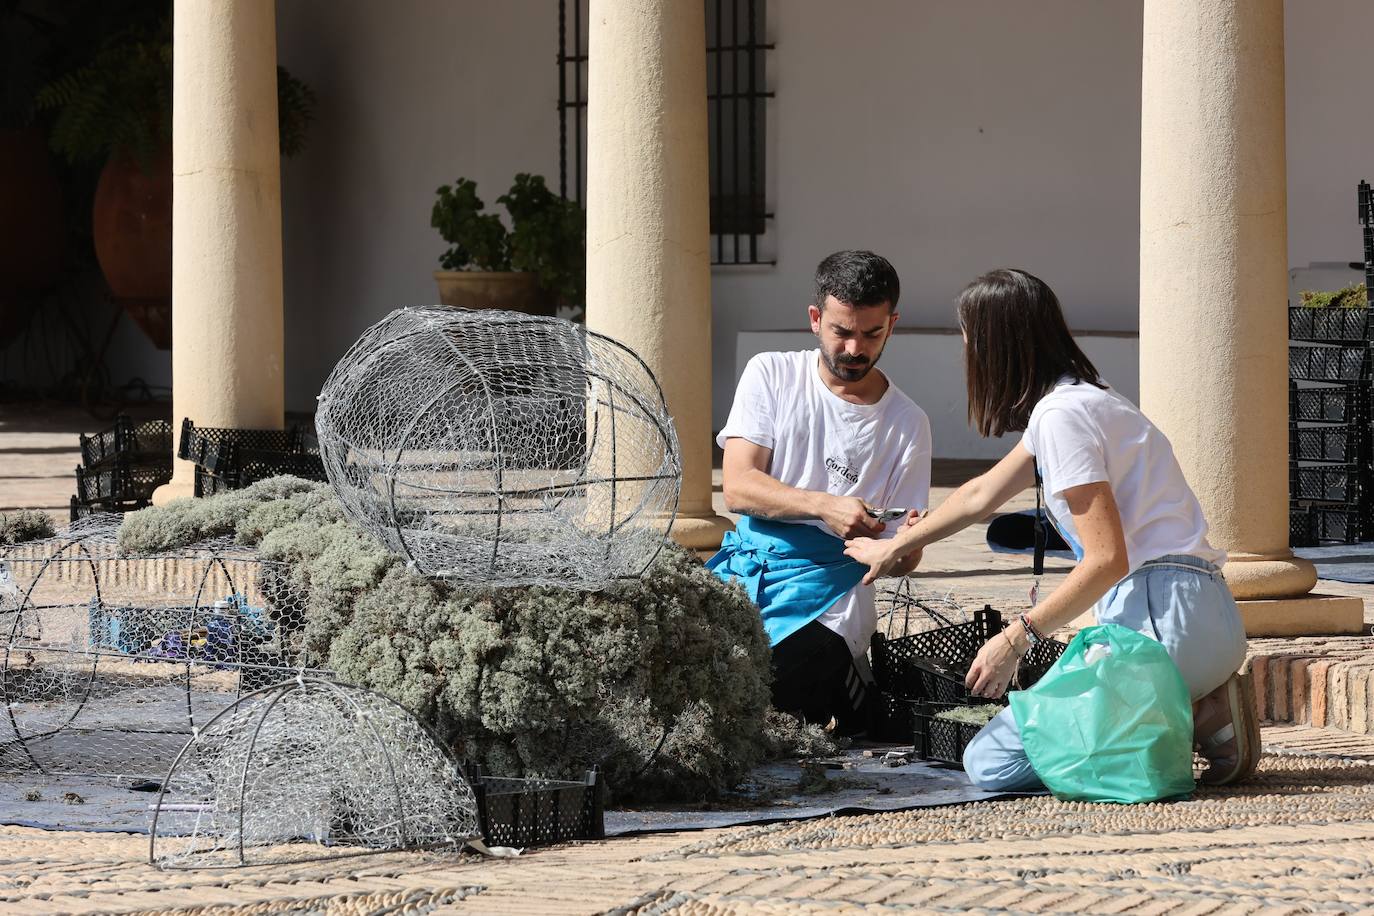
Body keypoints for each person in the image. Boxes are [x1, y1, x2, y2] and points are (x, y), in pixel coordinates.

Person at [843, 268, 1257, 788]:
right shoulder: (1083, 400)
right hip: (1205, 614)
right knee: (1043, 731)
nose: (967, 351)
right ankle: (1194, 699)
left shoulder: (1062, 417)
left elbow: (1108, 559)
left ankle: (1186, 710)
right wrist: (896, 544)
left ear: (998, 343)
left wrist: (1016, 637)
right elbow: (980, 495)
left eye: (970, 337)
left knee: (992, 762)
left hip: (1160, 628)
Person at [708, 250, 932, 734]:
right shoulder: (771, 373)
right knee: (695, 681)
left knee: (754, 700)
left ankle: (847, 683)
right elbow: (740, 488)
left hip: (833, 594)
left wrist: (900, 546)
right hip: (747, 571)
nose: (855, 348)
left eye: (872, 334)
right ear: (815, 320)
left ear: (892, 324)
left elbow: (905, 555)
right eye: (842, 331)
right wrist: (824, 505)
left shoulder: (908, 423)